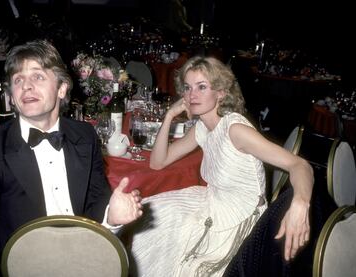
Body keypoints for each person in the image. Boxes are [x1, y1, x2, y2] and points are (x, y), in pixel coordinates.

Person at [0, 40, 143, 275]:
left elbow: (95, 207)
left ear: (62, 89)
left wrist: (112, 218)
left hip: (83, 258)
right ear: (11, 95)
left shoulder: (84, 135)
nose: (26, 86)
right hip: (26, 266)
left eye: (38, 76)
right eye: (18, 80)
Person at [130, 56, 313, 276]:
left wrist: (301, 203)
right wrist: (169, 115)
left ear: (221, 92)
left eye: (202, 87)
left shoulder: (235, 130)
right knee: (146, 224)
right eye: (187, 88)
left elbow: (300, 165)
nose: (191, 95)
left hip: (240, 220)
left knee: (188, 264)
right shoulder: (202, 128)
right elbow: (158, 162)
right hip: (212, 203)